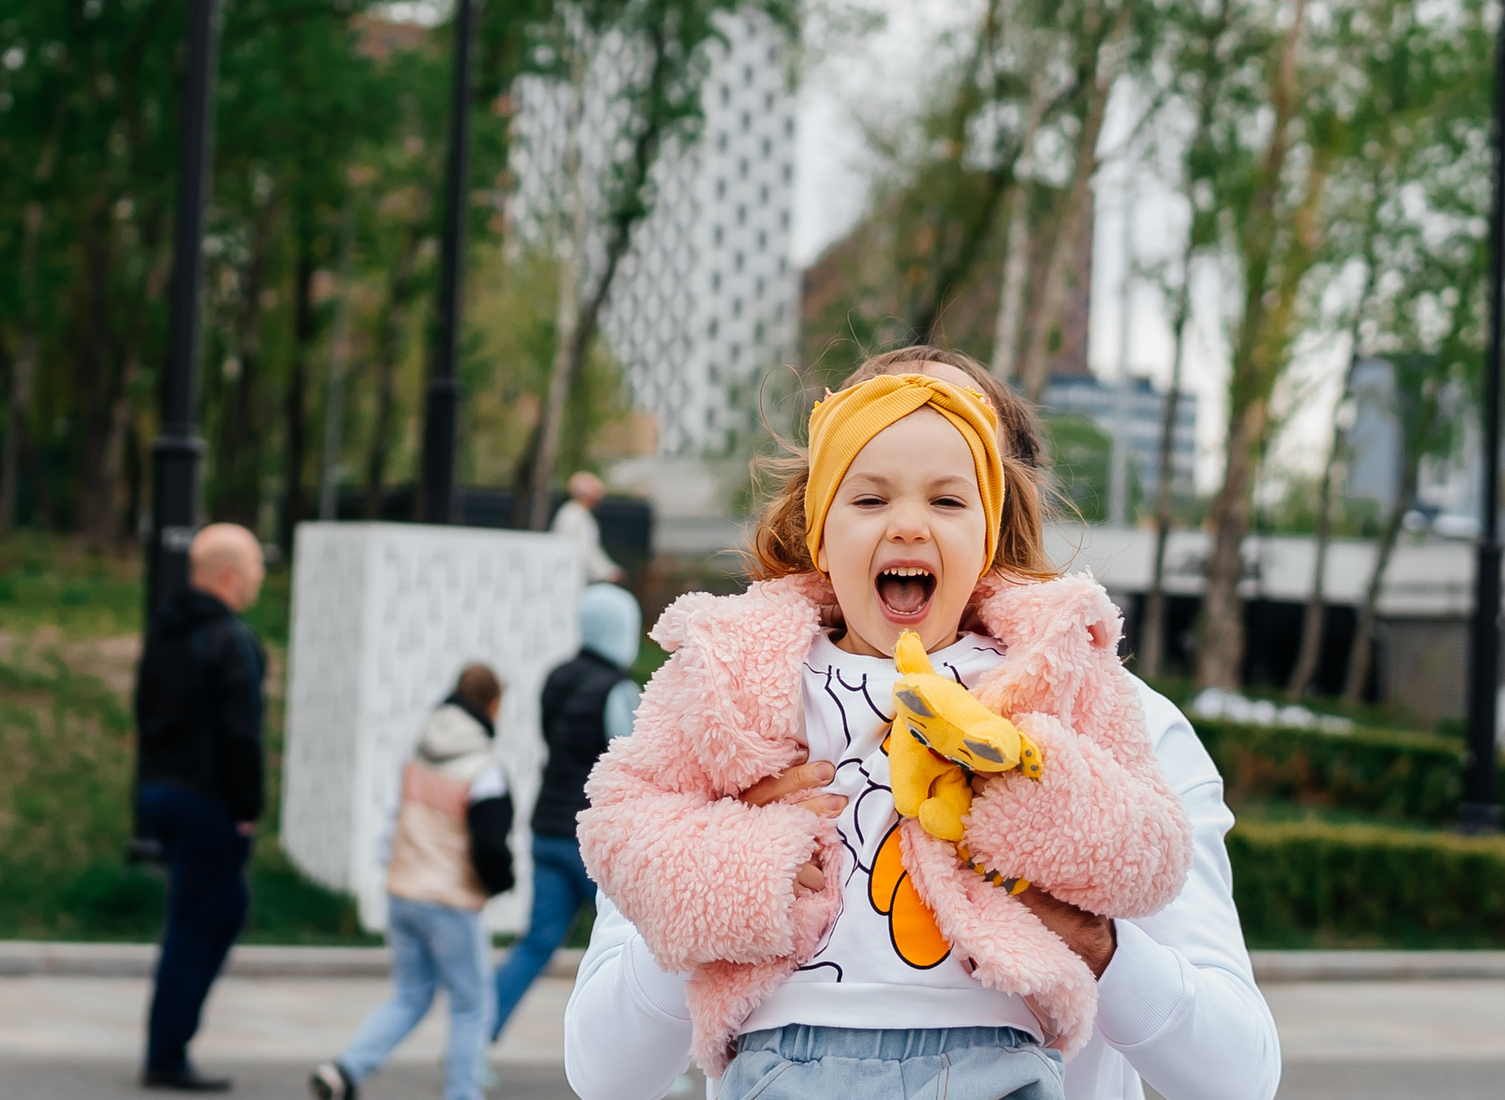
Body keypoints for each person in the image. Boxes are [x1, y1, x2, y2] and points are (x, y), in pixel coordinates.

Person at [566, 346, 1281, 1100]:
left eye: (946, 492)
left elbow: (1239, 1078)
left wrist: (1095, 937)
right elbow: (604, 1075)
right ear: (822, 517)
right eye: (871, 492)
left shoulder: (1114, 721)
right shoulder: (736, 704)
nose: (908, 523)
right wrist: (715, 872)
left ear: (998, 517)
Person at [311, 664, 517, 1100]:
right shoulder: (486, 769)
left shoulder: (419, 750)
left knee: (410, 995)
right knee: (470, 1005)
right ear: (493, 705)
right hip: (450, 902)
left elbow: (393, 821)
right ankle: (463, 1094)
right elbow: (492, 849)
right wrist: (501, 883)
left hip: (403, 892)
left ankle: (345, 1070)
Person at [134, 522, 268, 1092]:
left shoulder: (165, 631)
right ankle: (167, 1052)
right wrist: (247, 808)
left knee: (219, 909)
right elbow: (242, 733)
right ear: (231, 575)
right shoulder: (230, 640)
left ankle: (170, 1041)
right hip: (208, 801)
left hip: (161, 790)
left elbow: (144, 709)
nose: (260, 580)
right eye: (258, 569)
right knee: (195, 923)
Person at [490, 583, 641, 1039]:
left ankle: (472, 1040)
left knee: (536, 943)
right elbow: (629, 763)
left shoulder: (555, 676)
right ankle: (644, 1063)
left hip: (547, 829)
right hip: (595, 840)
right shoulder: (619, 689)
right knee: (630, 950)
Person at [549, 471, 623, 583]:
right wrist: (607, 571)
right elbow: (586, 550)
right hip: (572, 577)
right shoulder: (575, 516)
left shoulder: (573, 513)